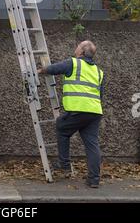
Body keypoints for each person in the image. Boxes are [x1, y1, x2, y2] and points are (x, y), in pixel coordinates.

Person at [38, 40, 104, 188]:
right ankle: (94, 180)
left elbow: (55, 68)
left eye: (78, 46)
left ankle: (64, 163)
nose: (76, 48)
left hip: (79, 109)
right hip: (95, 112)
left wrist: (41, 71)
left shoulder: (74, 63)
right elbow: (101, 94)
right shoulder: (99, 72)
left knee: (62, 127)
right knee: (92, 145)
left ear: (81, 52)